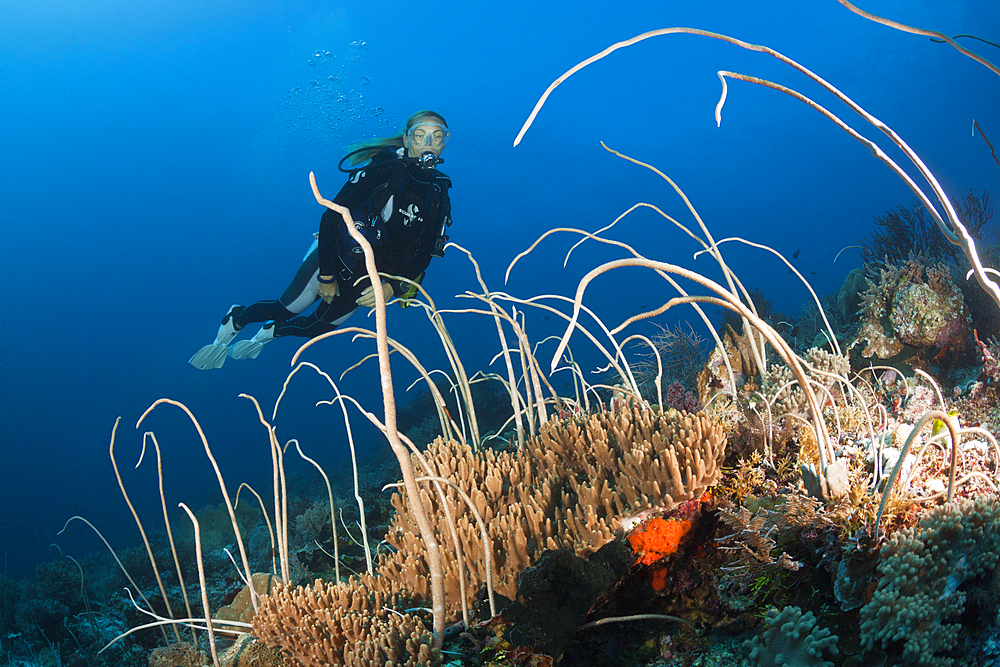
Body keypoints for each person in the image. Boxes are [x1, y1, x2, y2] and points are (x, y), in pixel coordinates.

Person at [189, 110, 453, 370]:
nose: (428, 145)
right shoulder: (383, 170)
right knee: (286, 309)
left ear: (446, 141)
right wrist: (326, 276)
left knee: (317, 328)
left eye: (436, 137)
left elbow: (426, 252)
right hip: (335, 256)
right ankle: (239, 318)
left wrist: (392, 287)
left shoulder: (439, 191)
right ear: (407, 140)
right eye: (420, 136)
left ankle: (272, 333)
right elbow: (331, 217)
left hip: (372, 279)